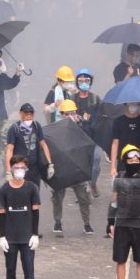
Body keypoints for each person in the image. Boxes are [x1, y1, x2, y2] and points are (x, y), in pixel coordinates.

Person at [0, 154, 41, 279]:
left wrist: (35, 234)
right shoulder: (4, 190)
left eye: (23, 167)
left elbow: (35, 212)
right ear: (11, 168)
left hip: (27, 237)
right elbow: (1, 214)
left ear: (26, 169)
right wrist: (2, 236)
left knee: (29, 270)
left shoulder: (31, 188)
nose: (20, 170)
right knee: (10, 270)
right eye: (17, 167)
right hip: (10, 238)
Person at [110, 144, 140, 279]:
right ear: (124, 160)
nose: (134, 161)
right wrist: (110, 222)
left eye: (136, 158)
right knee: (120, 259)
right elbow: (114, 201)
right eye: (130, 158)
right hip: (122, 224)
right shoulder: (119, 179)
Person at [49, 100, 93, 234]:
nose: (70, 116)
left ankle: (87, 223)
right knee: (57, 197)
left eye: (72, 113)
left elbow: (90, 141)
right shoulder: (55, 129)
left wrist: (84, 123)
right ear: (61, 114)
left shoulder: (82, 127)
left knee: (84, 198)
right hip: (61, 167)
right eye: (67, 114)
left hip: (78, 168)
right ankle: (57, 222)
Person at [4, 102, 54, 186]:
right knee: (21, 193)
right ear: (20, 114)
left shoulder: (36, 126)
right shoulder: (14, 128)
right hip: (19, 167)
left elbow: (44, 145)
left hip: (34, 168)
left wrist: (50, 164)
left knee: (35, 193)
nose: (29, 116)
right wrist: (8, 171)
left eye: (31, 113)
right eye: (26, 113)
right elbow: (9, 150)